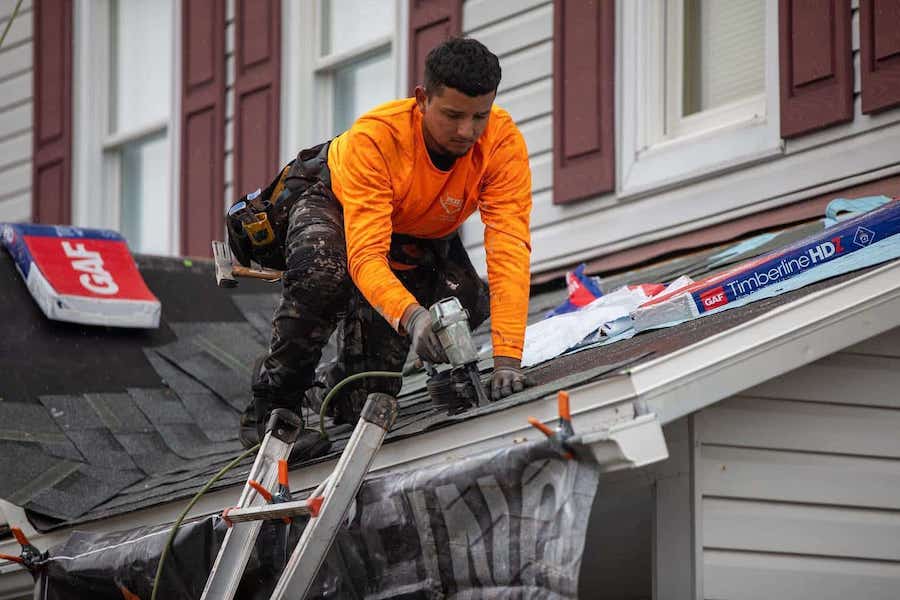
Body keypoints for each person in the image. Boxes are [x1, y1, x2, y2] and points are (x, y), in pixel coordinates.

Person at [236, 38, 533, 456]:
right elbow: (364, 256)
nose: (467, 131)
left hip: (410, 229)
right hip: (335, 203)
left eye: (479, 117)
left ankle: (336, 387)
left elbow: (509, 248)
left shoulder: (501, 143)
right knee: (324, 274)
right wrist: (412, 316)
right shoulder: (377, 139)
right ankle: (272, 407)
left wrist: (507, 360)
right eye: (452, 116)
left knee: (461, 303)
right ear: (422, 99)